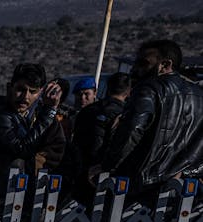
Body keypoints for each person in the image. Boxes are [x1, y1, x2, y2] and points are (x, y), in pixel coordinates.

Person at [103, 39, 203, 202]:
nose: (135, 69)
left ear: (165, 64)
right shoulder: (199, 95)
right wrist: (189, 173)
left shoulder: (150, 88)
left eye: (144, 63)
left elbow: (132, 130)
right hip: (183, 190)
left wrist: (108, 168)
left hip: (141, 187)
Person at [0, 63, 62, 207]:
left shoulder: (37, 116)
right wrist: (49, 113)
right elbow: (21, 148)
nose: (26, 97)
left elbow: (57, 147)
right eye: (20, 90)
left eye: (33, 92)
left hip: (23, 196)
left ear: (41, 93)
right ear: (9, 87)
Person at [71, 72, 131, 202]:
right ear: (128, 92)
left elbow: (75, 144)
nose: (82, 98)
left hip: (81, 173)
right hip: (109, 176)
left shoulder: (87, 112)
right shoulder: (127, 115)